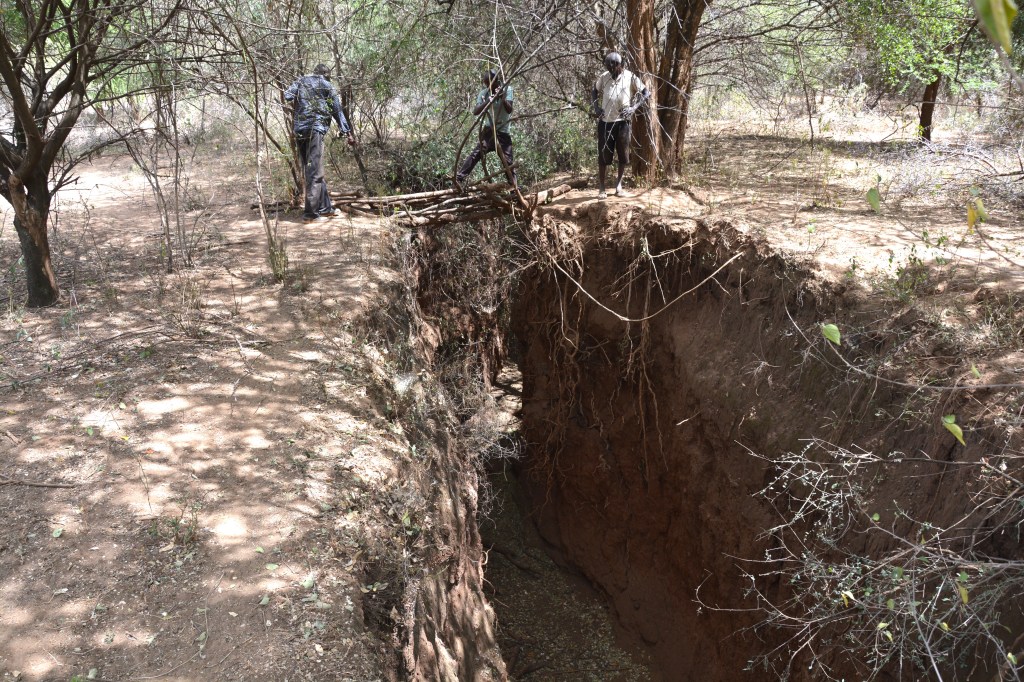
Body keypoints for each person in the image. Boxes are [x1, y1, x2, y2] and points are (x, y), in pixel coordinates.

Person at [284, 64, 355, 223]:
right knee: (315, 172)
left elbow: (287, 95)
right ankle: (310, 215)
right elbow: (337, 110)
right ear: (326, 74)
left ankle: (325, 208)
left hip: (299, 131)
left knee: (313, 169)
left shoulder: (301, 81)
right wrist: (348, 133)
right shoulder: (326, 85)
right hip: (314, 130)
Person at [591, 52, 649, 199]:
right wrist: (596, 108)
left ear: (618, 65)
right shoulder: (604, 77)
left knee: (623, 154)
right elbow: (594, 91)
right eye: (607, 66)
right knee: (603, 155)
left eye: (611, 66)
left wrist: (634, 108)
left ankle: (619, 186)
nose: (609, 69)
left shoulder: (630, 77)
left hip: (623, 123)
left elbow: (646, 92)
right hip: (605, 122)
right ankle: (602, 188)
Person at [455, 69, 517, 189]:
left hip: (503, 132)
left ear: (496, 81)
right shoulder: (484, 93)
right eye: (486, 83)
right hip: (489, 132)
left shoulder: (507, 89)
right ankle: (459, 178)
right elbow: (476, 111)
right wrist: (488, 101)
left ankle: (513, 188)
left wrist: (502, 97)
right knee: (476, 154)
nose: (488, 86)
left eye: (489, 83)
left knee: (508, 161)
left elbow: (509, 109)